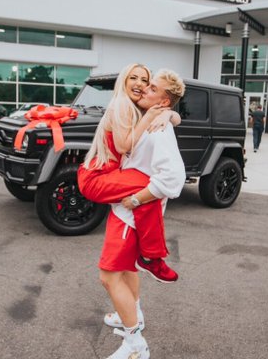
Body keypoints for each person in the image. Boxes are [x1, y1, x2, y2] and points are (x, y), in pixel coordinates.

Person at [99, 69, 185, 359]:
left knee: (109, 276)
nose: (144, 88)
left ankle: (135, 345)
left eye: (152, 88)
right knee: (127, 269)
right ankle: (132, 314)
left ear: (164, 101)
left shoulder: (160, 129)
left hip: (131, 216)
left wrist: (136, 199)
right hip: (125, 212)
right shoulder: (148, 117)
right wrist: (170, 114)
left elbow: (174, 178)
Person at [78, 64, 181, 284]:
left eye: (145, 81)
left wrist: (169, 114)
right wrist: (152, 116)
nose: (140, 85)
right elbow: (123, 146)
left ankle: (150, 257)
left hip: (110, 173)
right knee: (150, 187)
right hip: (97, 176)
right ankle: (152, 258)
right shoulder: (122, 104)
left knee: (150, 190)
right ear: (123, 80)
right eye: (133, 78)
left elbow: (174, 115)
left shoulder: (137, 107)